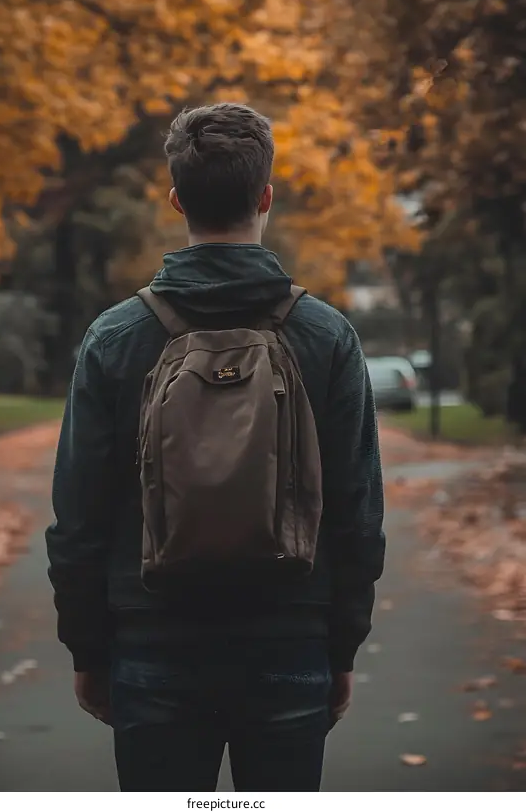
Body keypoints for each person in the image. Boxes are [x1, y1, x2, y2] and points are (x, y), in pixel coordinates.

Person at [46, 102, 385, 792]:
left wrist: (88, 647)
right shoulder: (326, 336)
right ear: (266, 196)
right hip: (290, 634)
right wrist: (341, 645)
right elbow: (358, 513)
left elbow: (78, 515)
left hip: (152, 639)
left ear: (176, 200)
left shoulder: (116, 337)